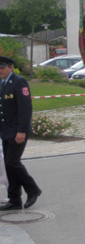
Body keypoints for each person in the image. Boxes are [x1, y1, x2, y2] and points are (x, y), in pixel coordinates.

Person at [0, 56, 42, 210]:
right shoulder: (2, 84)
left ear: (10, 67)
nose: (0, 71)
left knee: (12, 162)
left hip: (17, 131)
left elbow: (25, 109)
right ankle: (14, 199)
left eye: (2, 68)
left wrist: (22, 130)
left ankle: (33, 189)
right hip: (5, 130)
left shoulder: (18, 82)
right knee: (8, 165)